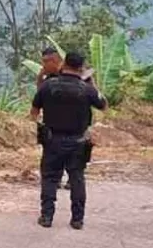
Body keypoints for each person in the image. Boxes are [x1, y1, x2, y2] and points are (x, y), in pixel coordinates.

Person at [31, 51, 106, 230]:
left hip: (52, 139)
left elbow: (34, 112)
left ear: (64, 63)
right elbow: (104, 106)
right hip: (78, 141)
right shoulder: (86, 89)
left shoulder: (48, 86)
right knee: (77, 179)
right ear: (81, 68)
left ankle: (47, 216)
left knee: (49, 178)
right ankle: (77, 219)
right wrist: (92, 83)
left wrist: (44, 124)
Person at [35, 47, 97, 190]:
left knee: (77, 150)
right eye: (43, 62)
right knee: (52, 149)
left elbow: (93, 94)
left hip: (77, 121)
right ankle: (55, 178)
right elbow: (39, 95)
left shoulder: (76, 75)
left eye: (46, 61)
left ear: (56, 60)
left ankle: (73, 178)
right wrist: (39, 77)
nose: (44, 65)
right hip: (54, 122)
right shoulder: (48, 78)